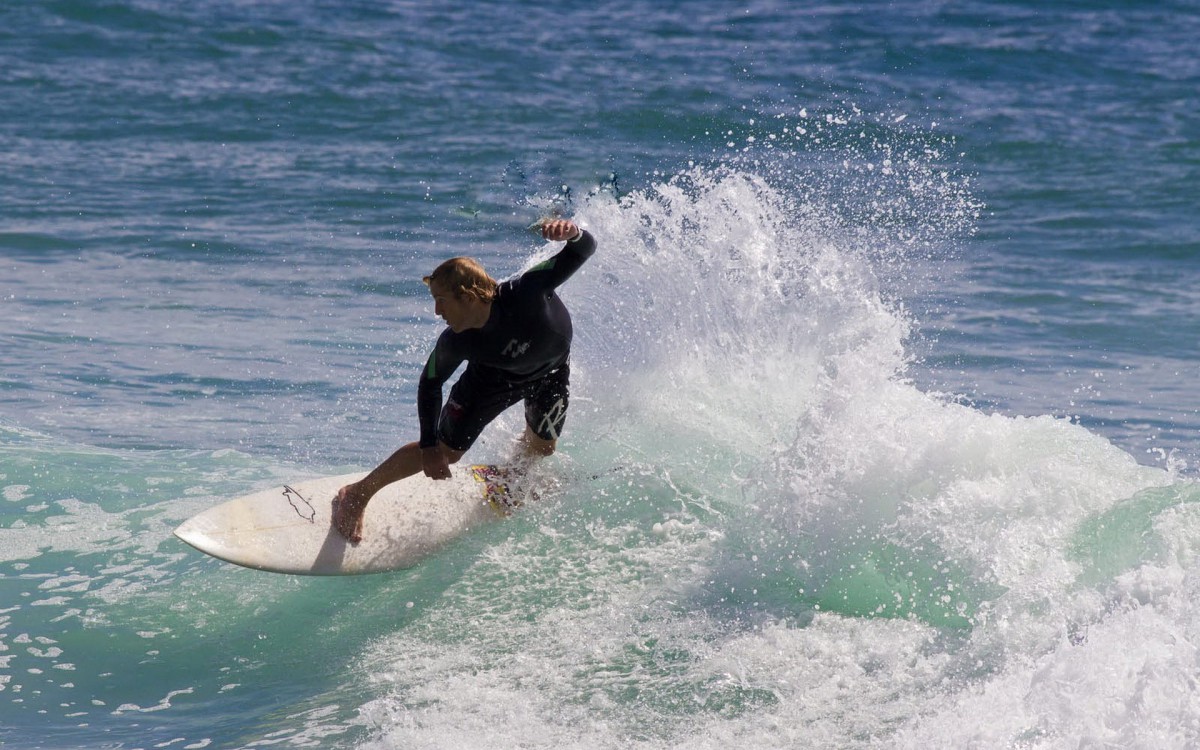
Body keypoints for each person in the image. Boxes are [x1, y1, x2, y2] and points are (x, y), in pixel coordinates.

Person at [332, 218, 596, 543]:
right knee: (447, 451)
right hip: (492, 379)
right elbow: (430, 382)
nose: (436, 311)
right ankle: (356, 494)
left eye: (441, 300)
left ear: (468, 296)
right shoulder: (456, 341)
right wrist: (429, 447)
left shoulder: (526, 291)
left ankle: (507, 480)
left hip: (552, 370)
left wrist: (571, 233)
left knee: (542, 449)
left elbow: (583, 248)